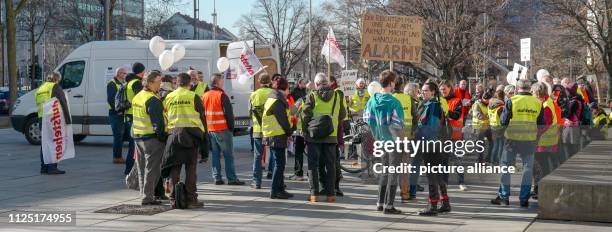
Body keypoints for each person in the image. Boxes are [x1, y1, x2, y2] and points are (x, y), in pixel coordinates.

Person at [491, 79, 544, 208]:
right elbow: (541, 123)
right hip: (529, 140)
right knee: (527, 169)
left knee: (505, 167)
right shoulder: (537, 102)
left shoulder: (511, 101)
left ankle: (504, 197)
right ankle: (524, 199)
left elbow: (504, 121)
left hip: (512, 139)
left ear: (517, 88)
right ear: (529, 88)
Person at [162, 72, 206, 209]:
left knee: (175, 166)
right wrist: (204, 138)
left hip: (173, 134)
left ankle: (174, 199)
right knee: (190, 167)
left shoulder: (169, 96)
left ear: (176, 83)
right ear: (189, 84)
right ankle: (191, 199)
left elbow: (165, 115)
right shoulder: (194, 96)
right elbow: (202, 118)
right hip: (191, 135)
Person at [363, 71, 403, 214]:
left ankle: (380, 202)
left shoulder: (372, 101)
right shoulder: (394, 102)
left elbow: (366, 120)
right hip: (392, 141)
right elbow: (397, 126)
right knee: (393, 172)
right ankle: (389, 205)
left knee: (384, 171)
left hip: (379, 140)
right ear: (391, 83)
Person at [302, 73, 346, 203]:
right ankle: (331, 194)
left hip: (314, 136)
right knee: (331, 165)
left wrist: (305, 132)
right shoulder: (337, 96)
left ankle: (314, 194)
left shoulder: (312, 96)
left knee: (313, 165)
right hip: (331, 136)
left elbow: (305, 116)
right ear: (327, 83)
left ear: (316, 85)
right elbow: (342, 114)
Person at [202, 73, 245, 185]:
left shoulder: (205, 95)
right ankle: (231, 178)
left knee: (215, 155)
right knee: (228, 155)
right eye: (221, 80)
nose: (223, 82)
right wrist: (231, 128)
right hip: (222, 129)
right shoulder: (221, 95)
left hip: (211, 129)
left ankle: (217, 178)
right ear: (217, 82)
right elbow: (229, 114)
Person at [416, 81, 451, 216]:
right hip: (432, 144)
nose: (423, 92)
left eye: (426, 91)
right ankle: (445, 202)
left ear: (433, 92)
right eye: (422, 90)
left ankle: (433, 205)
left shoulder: (434, 106)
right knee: (436, 174)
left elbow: (432, 127)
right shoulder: (427, 105)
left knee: (432, 175)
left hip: (431, 144)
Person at [132, 71, 166, 205]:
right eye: (159, 82)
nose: (160, 84)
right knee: (152, 169)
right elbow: (158, 123)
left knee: (141, 168)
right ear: (151, 82)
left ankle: (143, 194)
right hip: (151, 139)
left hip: (138, 138)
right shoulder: (152, 99)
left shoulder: (138, 96)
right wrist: (162, 138)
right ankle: (148, 197)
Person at [262, 77, 295, 199]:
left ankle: (280, 189)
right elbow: (283, 120)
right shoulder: (277, 100)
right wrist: (289, 132)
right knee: (279, 164)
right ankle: (275, 190)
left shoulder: (273, 97)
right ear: (284, 88)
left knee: (279, 163)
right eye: (288, 89)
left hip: (274, 134)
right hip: (277, 134)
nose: (289, 91)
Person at [36, 72, 70, 175]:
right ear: (56, 79)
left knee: (45, 143)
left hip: (42, 118)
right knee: (54, 142)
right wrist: (67, 120)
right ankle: (52, 167)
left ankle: (44, 167)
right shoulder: (55, 87)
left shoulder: (41, 88)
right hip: (53, 118)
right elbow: (63, 102)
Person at [531, 82, 559, 200]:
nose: (532, 94)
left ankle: (539, 190)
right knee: (544, 166)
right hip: (548, 141)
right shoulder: (547, 102)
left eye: (533, 92)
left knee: (539, 167)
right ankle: (540, 189)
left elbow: (544, 125)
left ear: (537, 93)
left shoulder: (546, 105)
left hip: (543, 142)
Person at [392, 78, 416, 202]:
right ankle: (405, 193)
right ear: (402, 86)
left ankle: (388, 196)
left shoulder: (390, 98)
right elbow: (415, 117)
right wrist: (412, 132)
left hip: (391, 137)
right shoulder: (408, 99)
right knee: (404, 167)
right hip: (406, 137)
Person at [439, 80, 465, 190]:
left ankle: (461, 182)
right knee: (443, 161)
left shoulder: (457, 101)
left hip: (455, 135)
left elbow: (455, 115)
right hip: (442, 136)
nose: (442, 91)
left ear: (450, 88)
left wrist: (444, 111)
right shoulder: (437, 101)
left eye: (444, 88)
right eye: (441, 89)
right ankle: (444, 182)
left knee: (458, 160)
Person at [249, 74, 273, 189]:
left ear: (259, 82)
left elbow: (250, 111)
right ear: (269, 82)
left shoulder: (254, 94)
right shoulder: (273, 93)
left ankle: (256, 181)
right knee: (273, 154)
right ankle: (274, 177)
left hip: (258, 129)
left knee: (258, 156)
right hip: (272, 128)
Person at [124, 62, 145, 175]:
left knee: (133, 144)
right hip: (135, 115)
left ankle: (129, 168)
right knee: (134, 144)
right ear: (141, 72)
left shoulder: (129, 82)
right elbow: (141, 98)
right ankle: (130, 169)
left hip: (129, 114)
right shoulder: (136, 83)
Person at [107, 67, 128, 164]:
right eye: (123, 73)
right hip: (115, 113)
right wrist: (118, 110)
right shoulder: (112, 83)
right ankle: (117, 157)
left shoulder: (122, 83)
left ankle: (118, 156)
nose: (125, 75)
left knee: (121, 135)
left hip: (121, 113)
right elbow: (111, 100)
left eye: (125, 73)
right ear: (118, 73)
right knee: (118, 136)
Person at [188, 70, 210, 164]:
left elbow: (208, 98)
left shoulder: (204, 86)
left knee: (203, 134)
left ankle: (204, 155)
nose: (193, 77)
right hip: (189, 115)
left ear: (197, 76)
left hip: (201, 114)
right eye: (190, 75)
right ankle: (193, 154)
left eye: (194, 75)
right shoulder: (186, 87)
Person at [472, 89, 493, 164]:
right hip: (479, 128)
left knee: (492, 143)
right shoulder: (478, 104)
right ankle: (479, 162)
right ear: (482, 98)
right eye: (485, 99)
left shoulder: (490, 104)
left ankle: (488, 159)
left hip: (488, 127)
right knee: (480, 145)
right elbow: (478, 115)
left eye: (488, 99)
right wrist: (488, 116)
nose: (487, 101)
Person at [488, 89, 505, 165]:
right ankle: (499, 161)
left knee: (495, 144)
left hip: (492, 126)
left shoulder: (490, 105)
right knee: (501, 145)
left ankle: (493, 161)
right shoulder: (501, 106)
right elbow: (503, 118)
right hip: (500, 127)